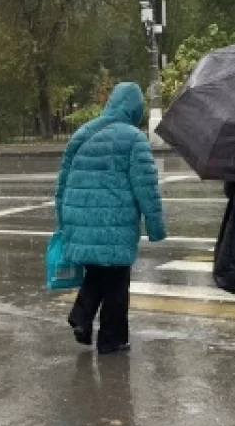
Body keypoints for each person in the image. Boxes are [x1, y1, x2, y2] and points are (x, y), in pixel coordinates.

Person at [55, 82, 167, 354]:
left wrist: (62, 222)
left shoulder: (82, 133)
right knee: (116, 282)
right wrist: (156, 227)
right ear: (135, 109)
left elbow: (62, 183)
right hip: (116, 223)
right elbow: (146, 187)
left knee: (97, 272)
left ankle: (81, 317)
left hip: (80, 220)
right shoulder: (133, 139)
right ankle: (112, 339)